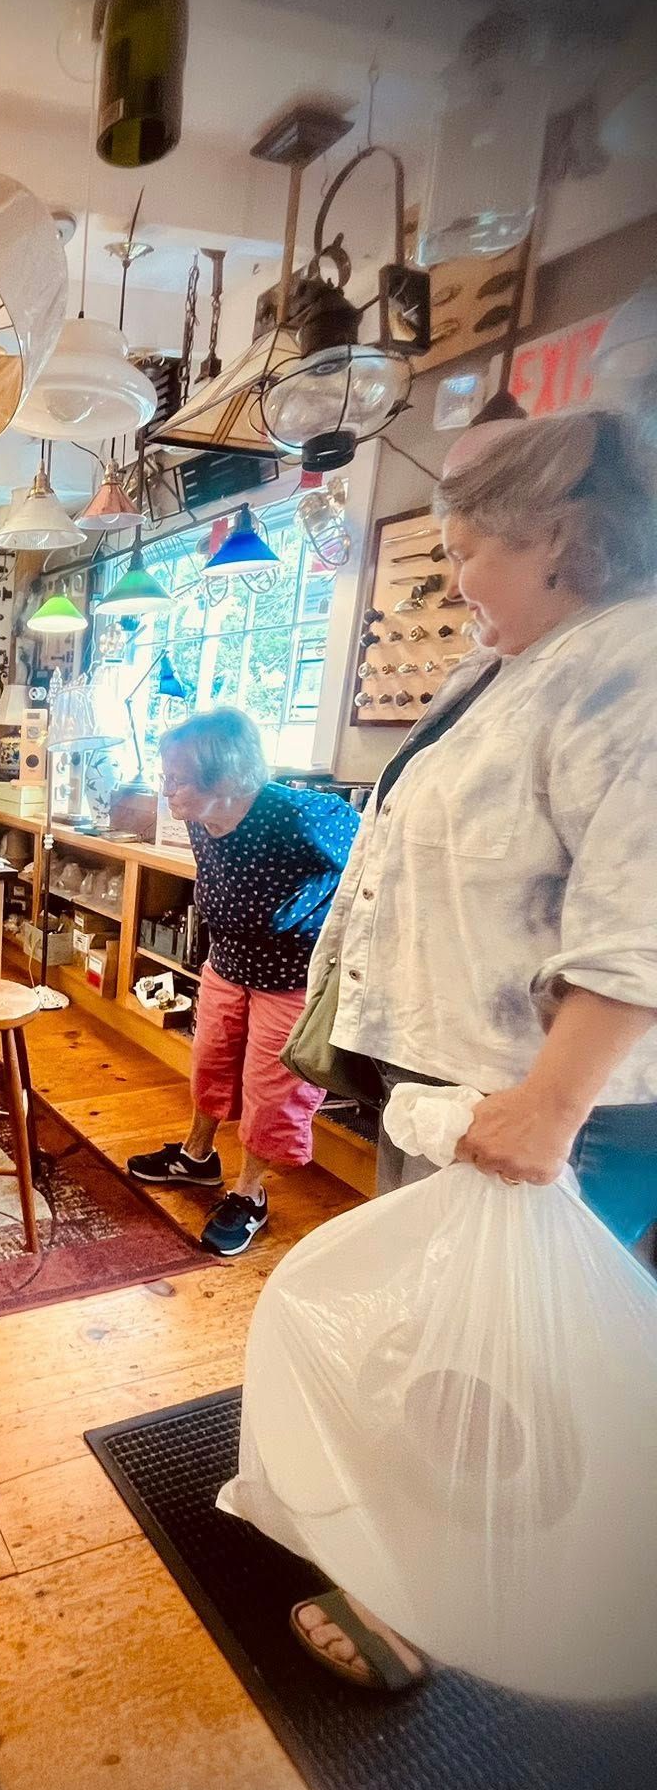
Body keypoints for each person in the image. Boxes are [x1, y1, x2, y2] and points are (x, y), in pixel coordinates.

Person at [292, 407, 657, 1689]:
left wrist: (551, 1106)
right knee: (430, 1342)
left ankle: (429, 1608)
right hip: (452, 1091)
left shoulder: (638, 665)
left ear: (560, 534)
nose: (454, 580)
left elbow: (641, 917)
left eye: (468, 550)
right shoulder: (507, 667)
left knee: (494, 1371)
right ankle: (411, 1560)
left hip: (541, 1110)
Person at [127, 709, 359, 1256]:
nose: (167, 792)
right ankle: (197, 1157)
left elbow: (373, 855)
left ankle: (250, 1194)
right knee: (210, 1063)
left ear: (227, 778)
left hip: (291, 974)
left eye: (177, 779)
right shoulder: (198, 814)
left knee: (271, 1090)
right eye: (165, 777)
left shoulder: (299, 817)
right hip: (227, 962)